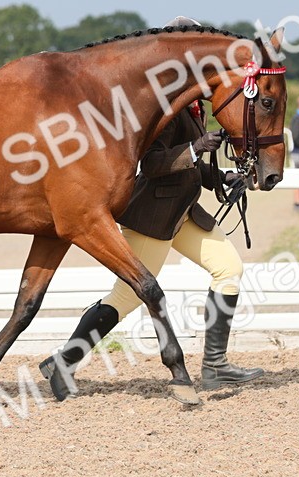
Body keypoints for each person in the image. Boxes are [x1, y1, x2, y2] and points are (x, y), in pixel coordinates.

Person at [39, 100, 264, 401]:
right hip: (153, 217)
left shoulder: (195, 108)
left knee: (229, 269)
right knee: (126, 297)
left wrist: (222, 178)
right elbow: (153, 164)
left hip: (182, 214)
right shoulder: (166, 110)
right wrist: (197, 146)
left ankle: (215, 365)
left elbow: (191, 169)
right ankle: (63, 361)